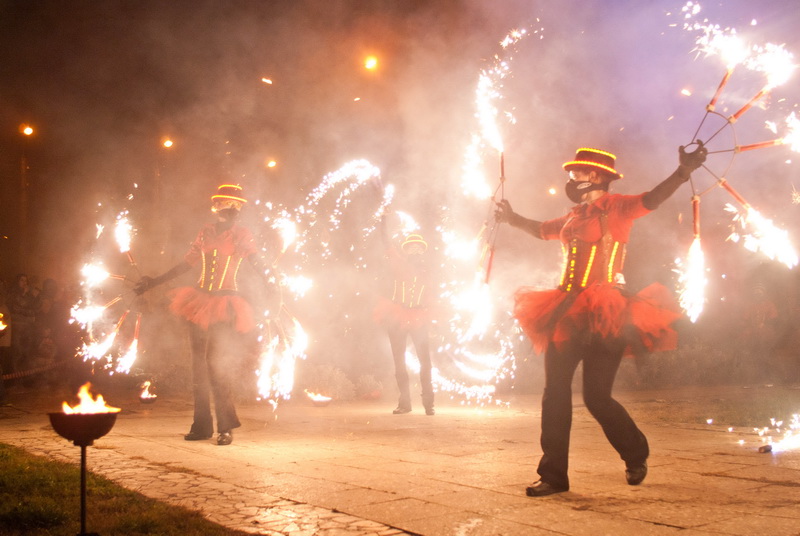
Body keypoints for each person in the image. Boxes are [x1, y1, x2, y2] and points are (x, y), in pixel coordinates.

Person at [495, 143, 707, 496]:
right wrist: (512, 217)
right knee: (555, 393)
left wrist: (682, 173)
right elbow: (542, 230)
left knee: (596, 397)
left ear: (594, 176)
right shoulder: (574, 216)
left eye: (575, 173)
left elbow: (653, 198)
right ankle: (553, 476)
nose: (570, 178)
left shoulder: (618, 207)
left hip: (607, 311)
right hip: (566, 310)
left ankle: (635, 453)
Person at [135, 184, 272, 445]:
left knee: (216, 365)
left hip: (226, 304)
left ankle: (226, 426)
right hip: (198, 302)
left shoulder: (242, 235)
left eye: (235, 206)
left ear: (239, 210)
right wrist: (153, 281)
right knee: (198, 366)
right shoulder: (205, 232)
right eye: (224, 204)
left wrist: (273, 284)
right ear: (217, 206)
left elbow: (257, 262)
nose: (229, 210)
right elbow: (186, 264)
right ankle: (201, 426)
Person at [373, 219, 435, 415]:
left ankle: (428, 403)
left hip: (419, 316)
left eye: (418, 247)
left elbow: (434, 295)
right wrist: (384, 220)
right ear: (406, 250)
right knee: (399, 361)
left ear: (422, 251)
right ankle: (405, 403)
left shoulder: (430, 270)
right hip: (398, 315)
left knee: (425, 361)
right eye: (411, 247)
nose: (414, 250)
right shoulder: (398, 264)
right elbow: (386, 243)